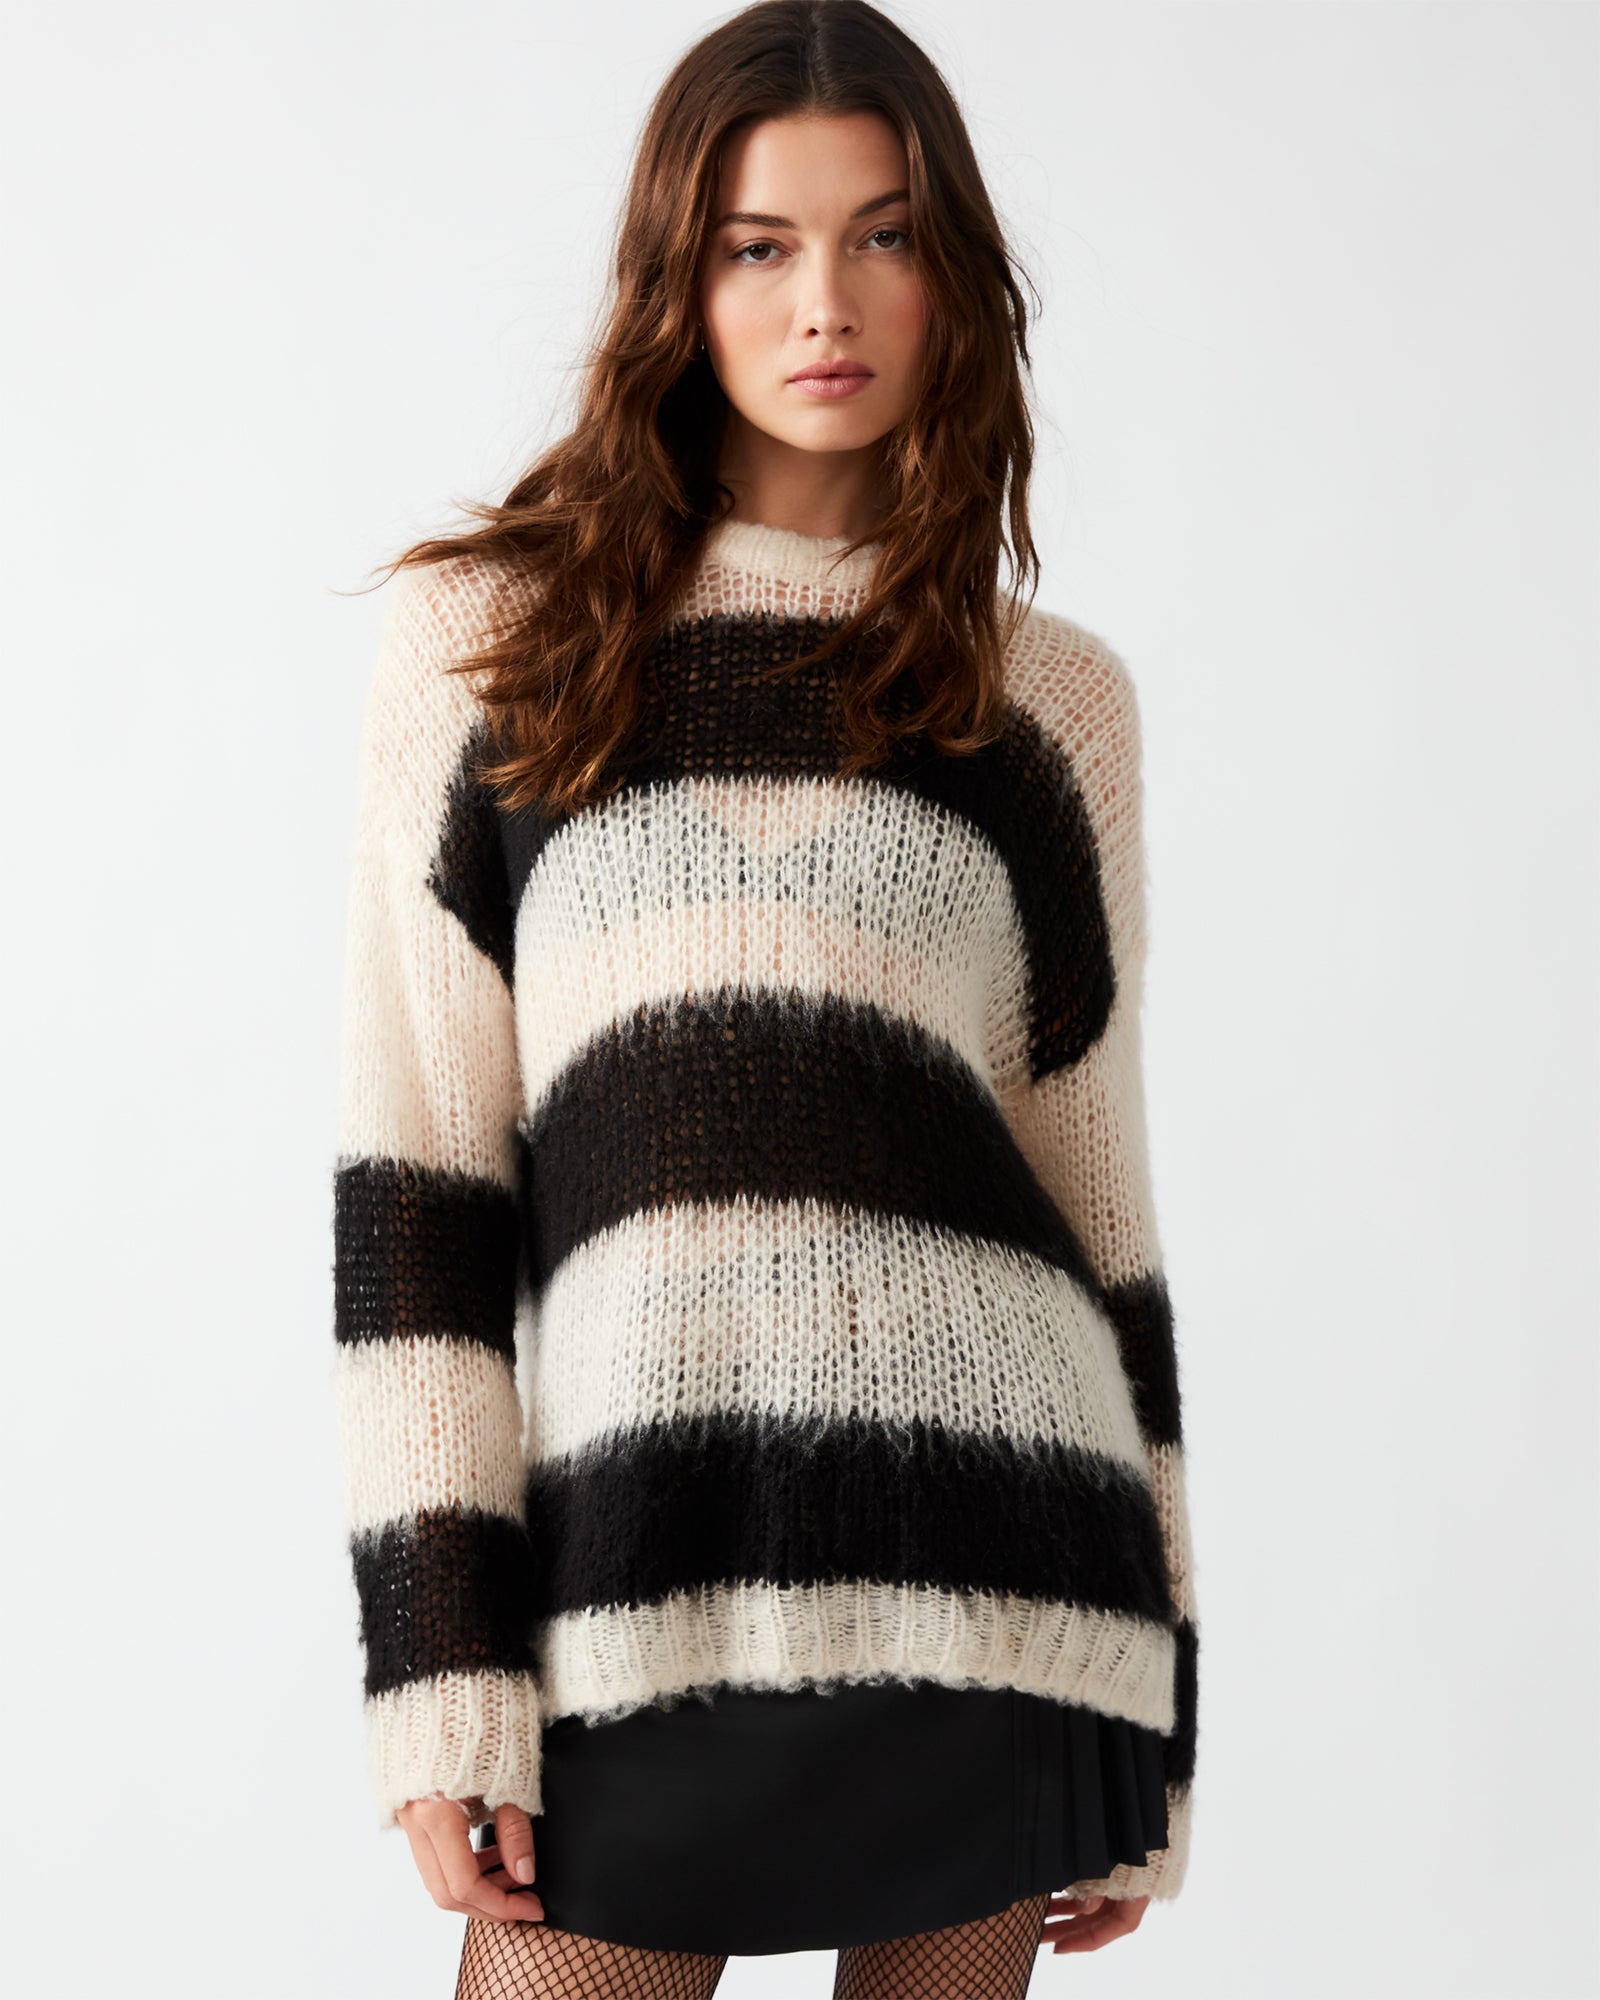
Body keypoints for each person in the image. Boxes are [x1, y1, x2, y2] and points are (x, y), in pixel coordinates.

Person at [329, 3, 1199, 1995]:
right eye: (758, 245)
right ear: (677, 279)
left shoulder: (1047, 704)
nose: (828, 301)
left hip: (1000, 1578)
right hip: (634, 1582)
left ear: (950, 276)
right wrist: (440, 1676)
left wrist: (1160, 1708)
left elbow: (1103, 1217)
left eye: (884, 236)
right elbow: (419, 1198)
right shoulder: (491, 646)